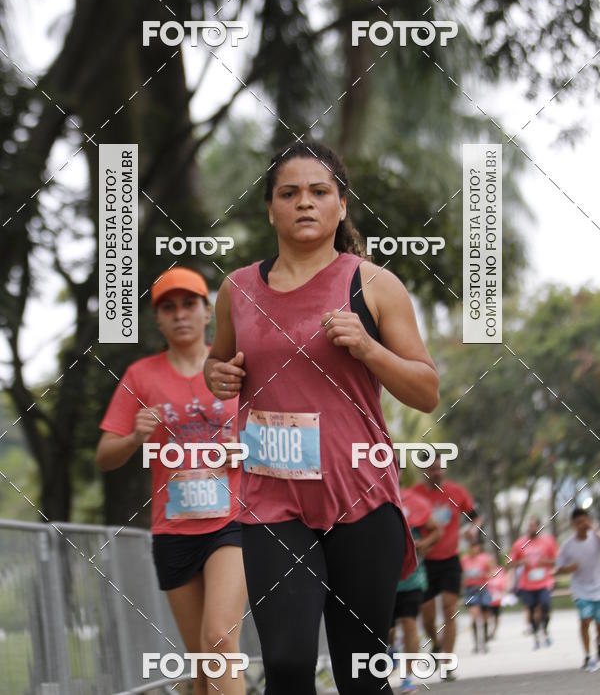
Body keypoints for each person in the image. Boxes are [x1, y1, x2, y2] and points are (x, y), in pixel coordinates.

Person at [204, 141, 440, 695]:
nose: (303, 203)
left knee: (361, 672)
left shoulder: (374, 285)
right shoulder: (237, 289)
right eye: (289, 193)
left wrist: (368, 348)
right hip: (272, 499)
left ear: (341, 204)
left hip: (360, 496)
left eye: (318, 192)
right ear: (270, 208)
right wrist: (217, 377)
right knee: (285, 666)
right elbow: (219, 364)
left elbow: (426, 391)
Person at [96, 267, 247, 695]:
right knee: (204, 663)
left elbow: (274, 433)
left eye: (189, 304)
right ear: (158, 319)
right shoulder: (141, 376)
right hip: (174, 529)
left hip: (233, 521)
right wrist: (133, 437)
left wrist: (247, 448)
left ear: (207, 312)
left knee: (219, 640)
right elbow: (105, 457)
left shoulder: (234, 369)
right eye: (168, 307)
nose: (180, 314)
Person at [410, 456, 480, 680]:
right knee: (427, 616)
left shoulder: (457, 492)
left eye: (440, 468)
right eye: (432, 469)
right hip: (424, 563)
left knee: (450, 609)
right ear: (423, 470)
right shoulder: (413, 495)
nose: (437, 472)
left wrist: (473, 529)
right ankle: (436, 643)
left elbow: (477, 517)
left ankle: (448, 664)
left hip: (450, 560)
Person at [390, 473, 442, 693]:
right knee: (388, 631)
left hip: (411, 577)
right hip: (384, 579)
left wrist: (424, 544)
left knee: (410, 623)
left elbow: (437, 530)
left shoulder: (413, 502)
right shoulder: (370, 499)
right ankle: (391, 650)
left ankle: (407, 677)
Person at [555, 507, 600, 672]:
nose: (582, 525)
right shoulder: (568, 545)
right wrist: (568, 569)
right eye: (579, 522)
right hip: (580, 589)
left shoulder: (595, 538)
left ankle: (599, 645)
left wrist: (594, 528)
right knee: (585, 621)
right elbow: (558, 568)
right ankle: (588, 655)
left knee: (599, 624)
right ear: (573, 524)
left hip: (598, 587)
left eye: (585, 521)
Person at [509, 516, 558, 650]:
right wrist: (521, 562)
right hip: (526, 584)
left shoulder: (548, 541)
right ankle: (536, 634)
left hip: (544, 582)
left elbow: (556, 560)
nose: (532, 528)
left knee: (545, 605)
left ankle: (545, 629)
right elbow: (511, 562)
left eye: (534, 525)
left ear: (539, 527)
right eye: (529, 525)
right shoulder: (520, 544)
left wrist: (545, 562)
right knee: (531, 610)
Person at [461, 531, 494, 653]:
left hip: (483, 588)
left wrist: (484, 574)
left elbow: (492, 573)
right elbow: (462, 575)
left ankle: (484, 641)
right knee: (474, 615)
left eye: (476, 546)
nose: (474, 549)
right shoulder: (464, 560)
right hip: (471, 590)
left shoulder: (485, 558)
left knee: (485, 616)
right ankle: (476, 643)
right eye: (472, 546)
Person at [483, 561, 508, 640]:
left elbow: (503, 582)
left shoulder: (500, 570)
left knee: (496, 615)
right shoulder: (485, 570)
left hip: (497, 597)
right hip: (487, 596)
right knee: (487, 615)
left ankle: (493, 632)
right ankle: (486, 631)